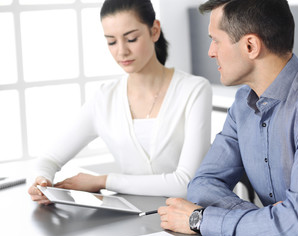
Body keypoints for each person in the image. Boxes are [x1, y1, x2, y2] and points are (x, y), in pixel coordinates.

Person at [158, 0, 298, 236]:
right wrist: (265, 222)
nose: (211, 52)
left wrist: (200, 219)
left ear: (251, 46)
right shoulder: (243, 104)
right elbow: (202, 183)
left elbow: (296, 228)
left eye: (216, 40)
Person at [28, 0, 212, 205]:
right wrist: (42, 181)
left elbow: (185, 183)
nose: (121, 51)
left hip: (190, 220)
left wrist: (104, 181)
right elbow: (49, 158)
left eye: (131, 39)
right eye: (111, 42)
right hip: (136, 221)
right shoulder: (104, 99)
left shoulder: (194, 90)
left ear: (154, 31)